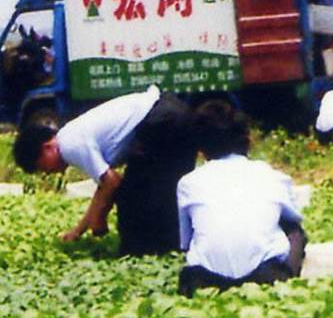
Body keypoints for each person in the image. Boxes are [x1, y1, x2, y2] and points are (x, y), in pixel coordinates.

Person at [12, 85, 196, 256]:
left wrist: (99, 218)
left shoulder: (69, 146)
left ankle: (148, 251)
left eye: (41, 166)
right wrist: (79, 230)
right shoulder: (69, 136)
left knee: (137, 195)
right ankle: (166, 246)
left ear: (46, 148)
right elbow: (104, 187)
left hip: (162, 120)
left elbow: (111, 182)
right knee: (160, 190)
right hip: (169, 112)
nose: (48, 172)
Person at [175, 101, 307, 295]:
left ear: (201, 148)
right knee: (295, 231)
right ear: (247, 139)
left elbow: (185, 242)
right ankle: (287, 276)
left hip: (205, 282)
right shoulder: (270, 175)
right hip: (266, 277)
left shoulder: (188, 183)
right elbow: (292, 220)